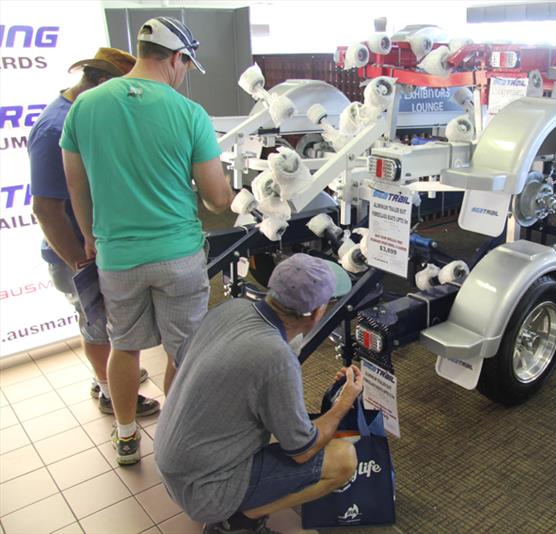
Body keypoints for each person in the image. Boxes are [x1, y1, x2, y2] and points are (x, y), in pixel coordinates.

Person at [61, 17, 234, 466]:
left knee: (125, 345)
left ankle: (124, 437)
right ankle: (176, 439)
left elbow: (76, 187)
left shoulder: (85, 106)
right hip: (177, 254)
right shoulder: (188, 113)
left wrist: (90, 238)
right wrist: (230, 190)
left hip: (117, 256)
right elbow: (217, 200)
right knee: (185, 349)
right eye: (186, 66)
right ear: (177, 58)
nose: (184, 75)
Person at [155, 254, 359, 534]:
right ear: (316, 313)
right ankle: (238, 520)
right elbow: (302, 450)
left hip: (172, 466)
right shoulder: (276, 357)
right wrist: (344, 402)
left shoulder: (233, 308)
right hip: (205, 490)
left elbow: (179, 362)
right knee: (343, 460)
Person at [29, 48, 156, 416]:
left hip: (93, 246)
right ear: (102, 84)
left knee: (105, 325)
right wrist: (80, 261)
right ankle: (109, 392)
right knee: (97, 325)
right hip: (73, 252)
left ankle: (112, 376)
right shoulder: (56, 128)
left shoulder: (81, 116)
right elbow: (46, 208)